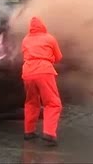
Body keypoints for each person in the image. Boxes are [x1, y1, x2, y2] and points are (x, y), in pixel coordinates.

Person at [21, 16, 63, 146]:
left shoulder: (25, 39)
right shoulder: (49, 38)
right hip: (44, 71)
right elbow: (59, 57)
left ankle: (29, 131)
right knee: (53, 103)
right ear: (43, 26)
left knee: (31, 102)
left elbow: (24, 54)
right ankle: (49, 133)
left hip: (27, 72)